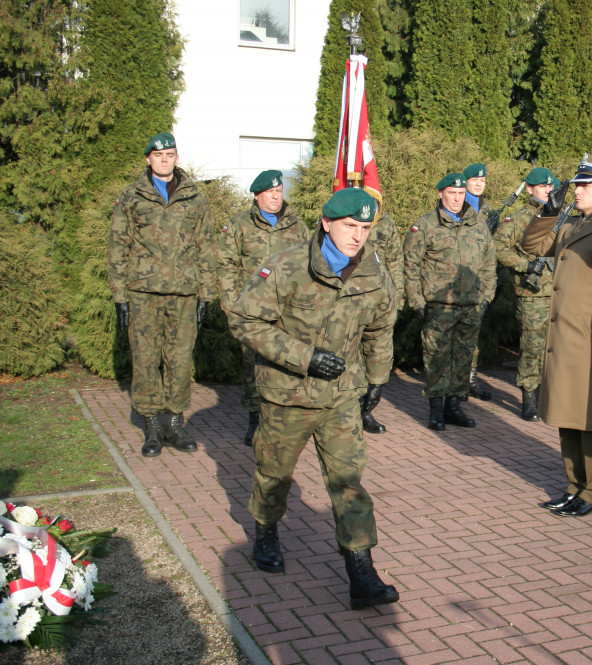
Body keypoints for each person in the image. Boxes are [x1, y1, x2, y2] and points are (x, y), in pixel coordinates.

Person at [227, 187, 400, 609]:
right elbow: (245, 319)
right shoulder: (287, 266)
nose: (357, 236)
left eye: (364, 227)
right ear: (326, 223)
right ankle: (266, 532)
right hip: (288, 396)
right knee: (274, 474)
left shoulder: (373, 271)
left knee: (349, 484)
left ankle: (362, 572)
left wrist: (377, 377)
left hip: (341, 398)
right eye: (348, 226)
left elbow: (381, 325)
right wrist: (304, 357)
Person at [521, 154, 592, 517]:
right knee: (567, 418)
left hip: (590, 343)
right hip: (567, 341)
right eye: (577, 185)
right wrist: (548, 213)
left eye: (585, 186)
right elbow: (533, 246)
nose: (577, 191)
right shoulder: (572, 225)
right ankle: (574, 487)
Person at [108, 132, 215, 457]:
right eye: (158, 155)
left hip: (183, 293)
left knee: (180, 360)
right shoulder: (131, 197)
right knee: (145, 359)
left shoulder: (195, 198)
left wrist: (206, 293)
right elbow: (118, 246)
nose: (164, 159)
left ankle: (175, 424)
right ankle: (153, 426)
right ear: (148, 159)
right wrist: (120, 296)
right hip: (142, 293)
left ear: (176, 158)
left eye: (170, 154)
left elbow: (207, 245)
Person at [217, 169, 311, 446]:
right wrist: (232, 306)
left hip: (290, 309)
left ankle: (285, 418)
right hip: (254, 309)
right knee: (253, 366)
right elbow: (226, 266)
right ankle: (255, 418)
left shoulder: (298, 226)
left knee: (290, 360)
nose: (275, 197)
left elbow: (309, 263)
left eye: (279, 192)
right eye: (270, 193)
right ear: (257, 196)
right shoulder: (239, 225)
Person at [404, 172, 497, 430]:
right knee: (436, 357)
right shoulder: (425, 226)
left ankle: (454, 407)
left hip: (470, 306)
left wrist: (486, 296)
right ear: (440, 194)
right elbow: (411, 267)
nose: (457, 199)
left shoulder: (477, 225)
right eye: (452, 194)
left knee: (463, 358)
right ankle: (436, 409)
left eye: (460, 194)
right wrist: (417, 303)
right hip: (438, 307)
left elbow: (489, 263)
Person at [493, 167, 556, 420]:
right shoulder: (518, 219)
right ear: (530, 189)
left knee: (554, 349)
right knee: (532, 348)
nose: (548, 191)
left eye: (550, 187)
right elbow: (498, 247)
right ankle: (529, 397)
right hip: (533, 295)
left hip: (559, 294)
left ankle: (548, 397)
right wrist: (525, 265)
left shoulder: (559, 216)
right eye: (543, 187)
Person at [359, 210, 404, 435]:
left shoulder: (386, 222)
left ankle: (366, 410)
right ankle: (347, 413)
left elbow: (395, 261)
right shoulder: (340, 218)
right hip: (351, 299)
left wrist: (398, 296)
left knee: (379, 356)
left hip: (380, 301)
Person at [462, 162, 494, 401]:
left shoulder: (489, 210)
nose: (479, 184)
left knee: (475, 334)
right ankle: (456, 383)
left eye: (482, 181)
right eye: (475, 180)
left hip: (481, 282)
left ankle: (471, 379)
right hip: (459, 280)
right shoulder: (456, 205)